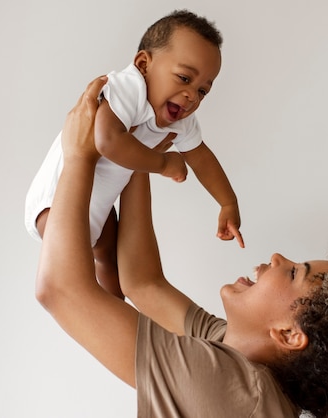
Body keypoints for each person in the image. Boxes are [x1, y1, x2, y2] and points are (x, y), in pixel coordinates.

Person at [36, 76, 328, 417]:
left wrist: (79, 156)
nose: (276, 258)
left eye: (293, 272)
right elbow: (143, 283)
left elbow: (60, 290)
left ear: (289, 334)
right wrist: (141, 150)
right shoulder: (245, 359)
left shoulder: (235, 389)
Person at [26, 10, 243, 298]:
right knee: (74, 281)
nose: (191, 95)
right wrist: (164, 163)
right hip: (55, 203)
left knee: (110, 259)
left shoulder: (181, 121)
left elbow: (201, 157)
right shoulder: (128, 88)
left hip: (99, 211)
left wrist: (228, 202)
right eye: (183, 77)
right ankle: (97, 309)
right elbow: (108, 140)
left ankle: (115, 308)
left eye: (203, 90)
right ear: (143, 64)